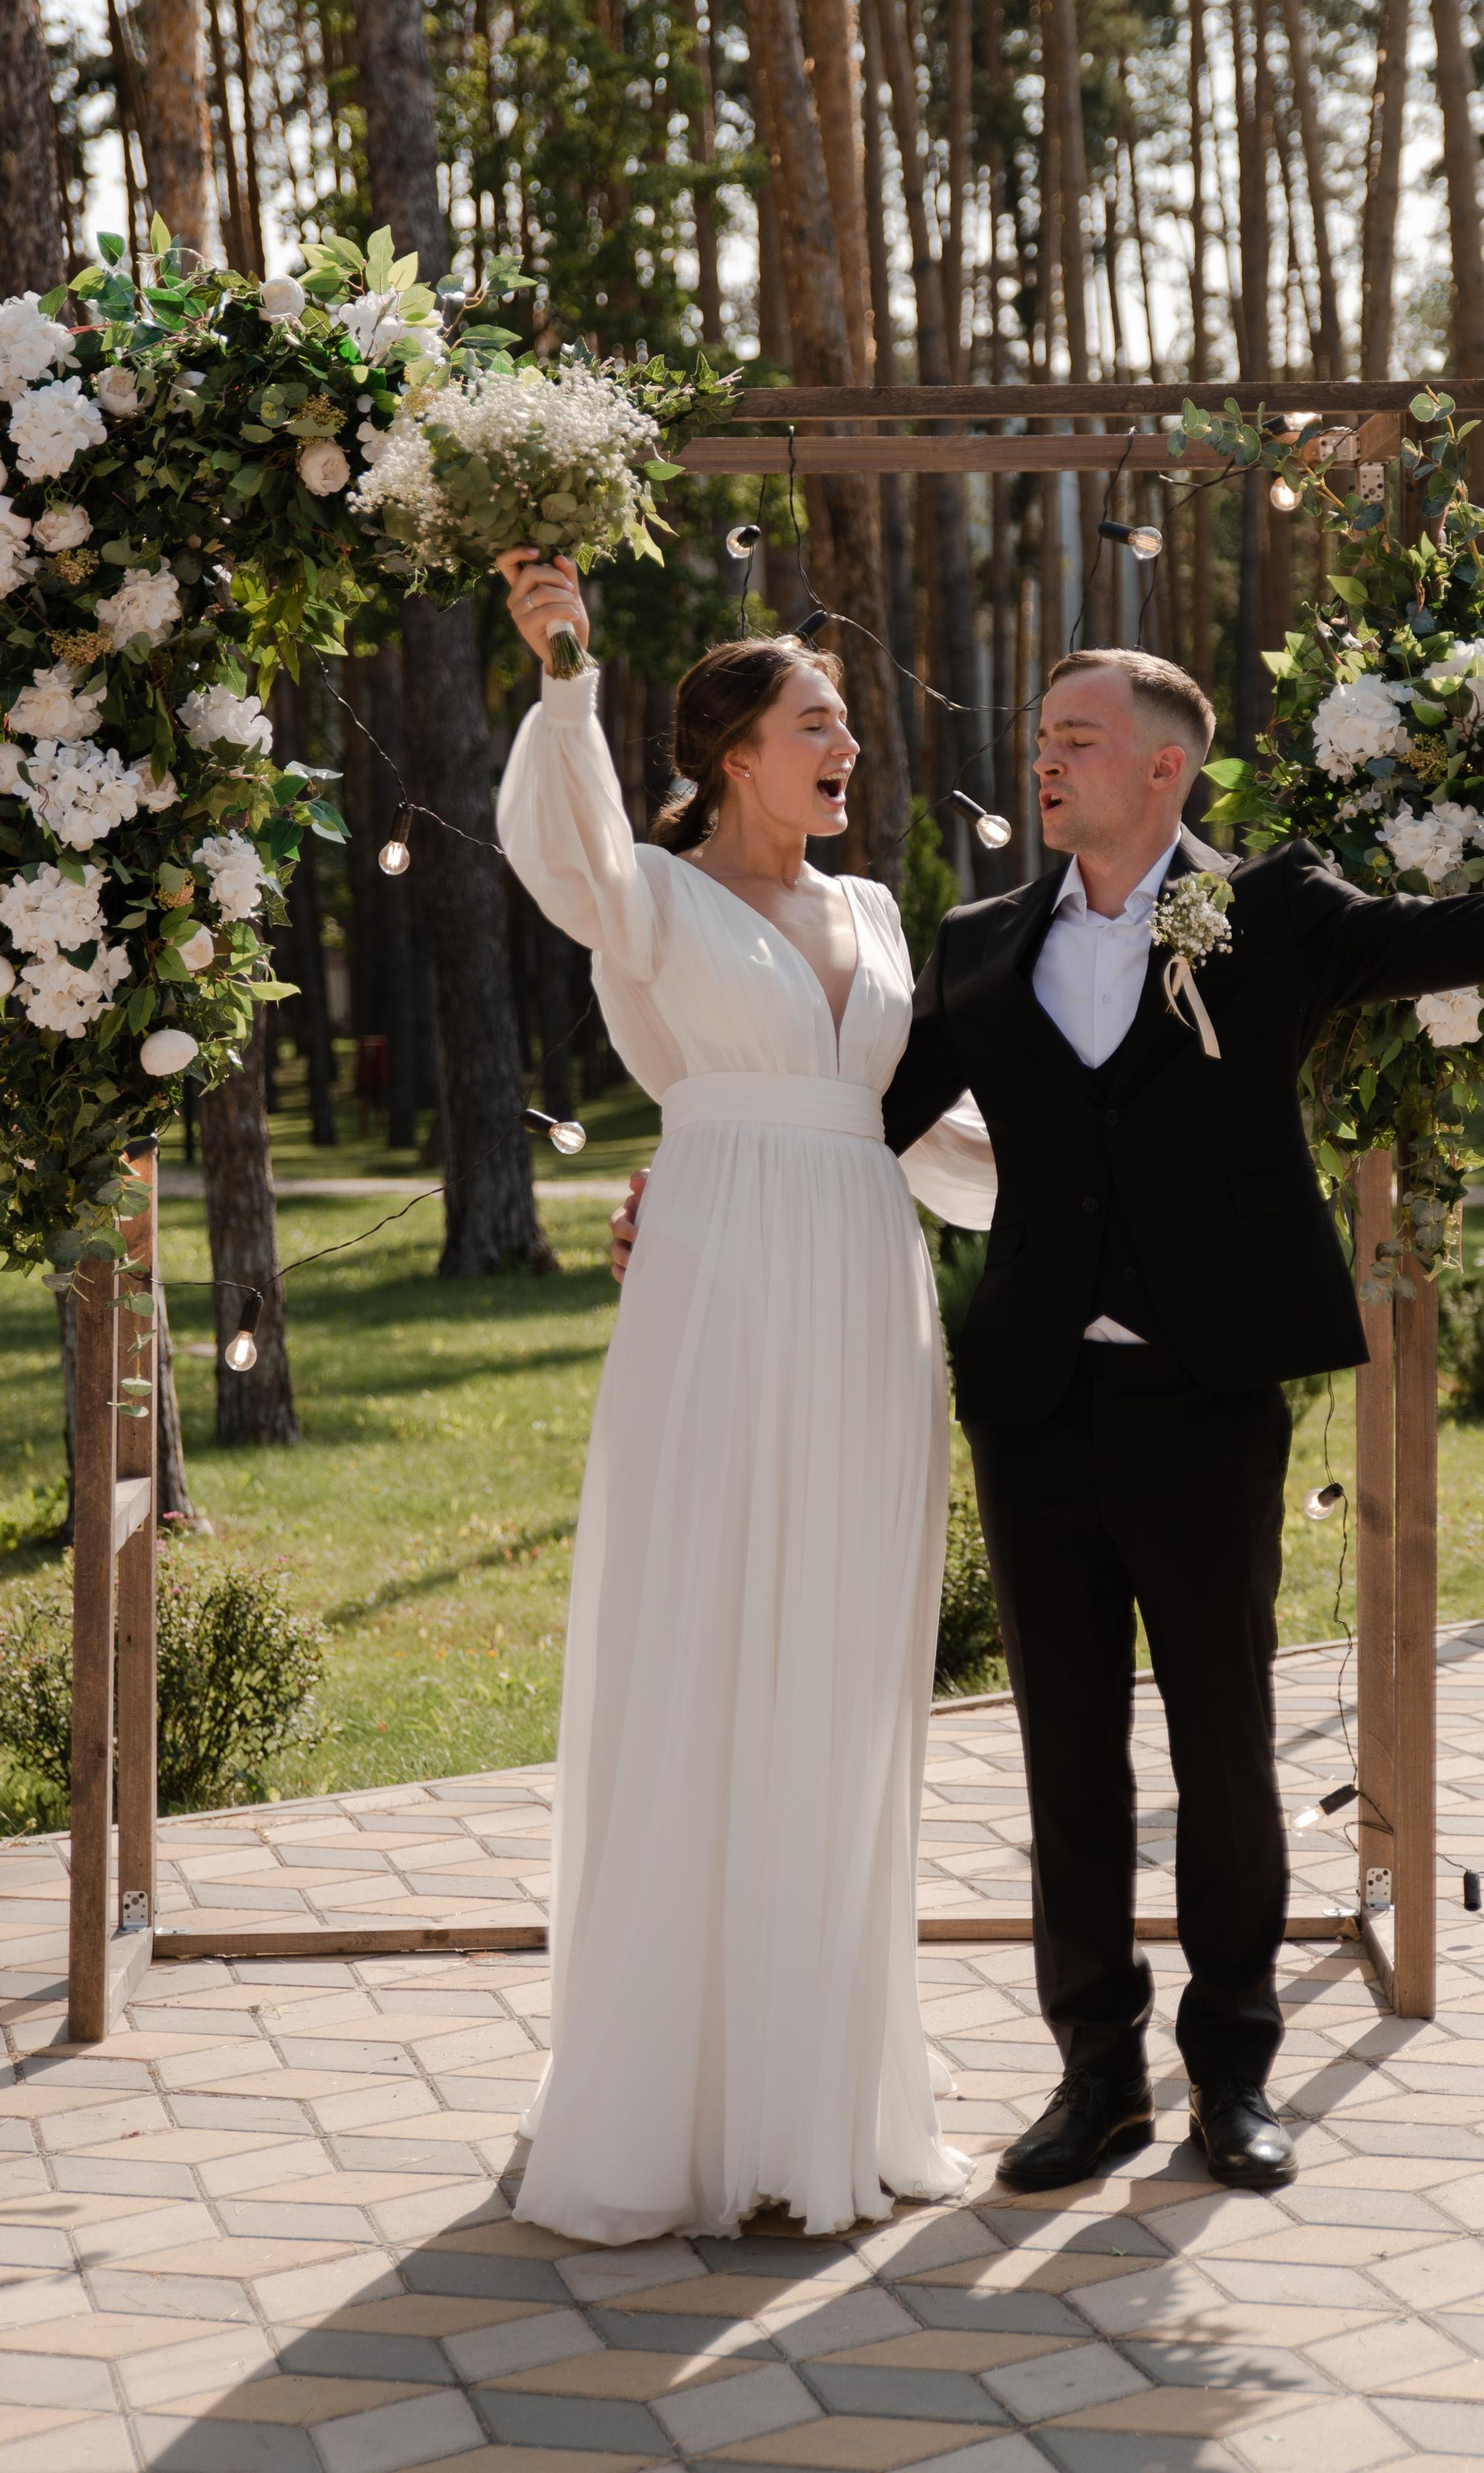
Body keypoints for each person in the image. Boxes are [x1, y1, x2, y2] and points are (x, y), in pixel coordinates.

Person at [615, 646, 1484, 2199]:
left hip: (1206, 1400)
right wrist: (692, 1177)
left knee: (1224, 1745)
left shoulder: (1277, 913)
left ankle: (1236, 2072)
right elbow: (839, 1109)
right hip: (1034, 1404)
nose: (1045, 758)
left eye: (1076, 737)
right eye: (1041, 733)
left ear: (1163, 771)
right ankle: (1094, 2076)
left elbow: (1442, 936)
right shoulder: (981, 945)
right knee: (1069, 1755)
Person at [492, 545, 971, 2244]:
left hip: (865, 1295)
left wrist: (1113, 1182)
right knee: (702, 1638)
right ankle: (669, 2109)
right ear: (732, 756)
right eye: (816, 720)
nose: (847, 745)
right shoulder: (649, 894)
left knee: (841, 1666)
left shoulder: (880, 915)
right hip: (715, 1286)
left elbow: (918, 1128)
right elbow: (555, 843)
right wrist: (564, 674)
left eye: (845, 721)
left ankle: (820, 2089)